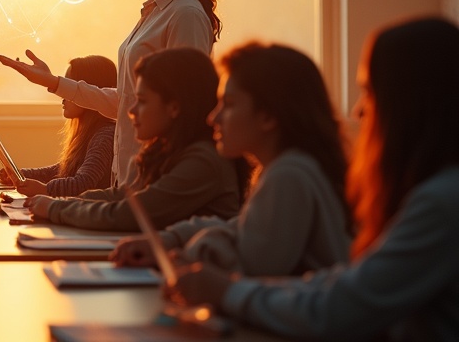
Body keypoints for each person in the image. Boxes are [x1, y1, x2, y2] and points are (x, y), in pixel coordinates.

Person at [170, 18, 459, 341]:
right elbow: (344, 282)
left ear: (410, 103)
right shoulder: (436, 192)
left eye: (369, 92)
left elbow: (339, 307)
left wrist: (227, 291)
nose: (358, 111)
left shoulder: (442, 203)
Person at [0, 0, 220, 186]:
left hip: (156, 182)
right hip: (128, 178)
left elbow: (187, 110)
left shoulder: (185, 14)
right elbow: (126, 102)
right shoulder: (153, 13)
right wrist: (53, 82)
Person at [112, 42, 352, 276]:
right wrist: (169, 240)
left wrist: (187, 253)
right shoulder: (286, 170)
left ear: (267, 116)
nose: (213, 118)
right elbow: (241, 228)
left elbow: (251, 269)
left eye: (228, 104)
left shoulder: (289, 175)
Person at [23, 48, 244, 231]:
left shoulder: (202, 161)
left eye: (142, 101)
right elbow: (124, 195)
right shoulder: (170, 151)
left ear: (174, 107)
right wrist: (60, 203)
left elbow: (129, 213)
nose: (131, 111)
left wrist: (54, 208)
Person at [0, 54, 116, 197]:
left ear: (87, 92)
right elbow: (66, 168)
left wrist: (44, 189)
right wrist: (21, 174)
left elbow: (83, 183)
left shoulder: (105, 135)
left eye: (70, 88)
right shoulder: (92, 132)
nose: (62, 96)